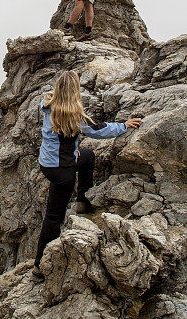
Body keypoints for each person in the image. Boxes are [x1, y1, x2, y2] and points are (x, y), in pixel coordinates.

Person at [33, 70, 142, 276]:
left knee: (88, 156)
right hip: (63, 171)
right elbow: (99, 129)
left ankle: (83, 199)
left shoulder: (47, 105)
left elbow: (53, 94)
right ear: (75, 92)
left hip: (46, 164)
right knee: (54, 217)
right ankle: (40, 265)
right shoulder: (74, 117)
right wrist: (124, 126)